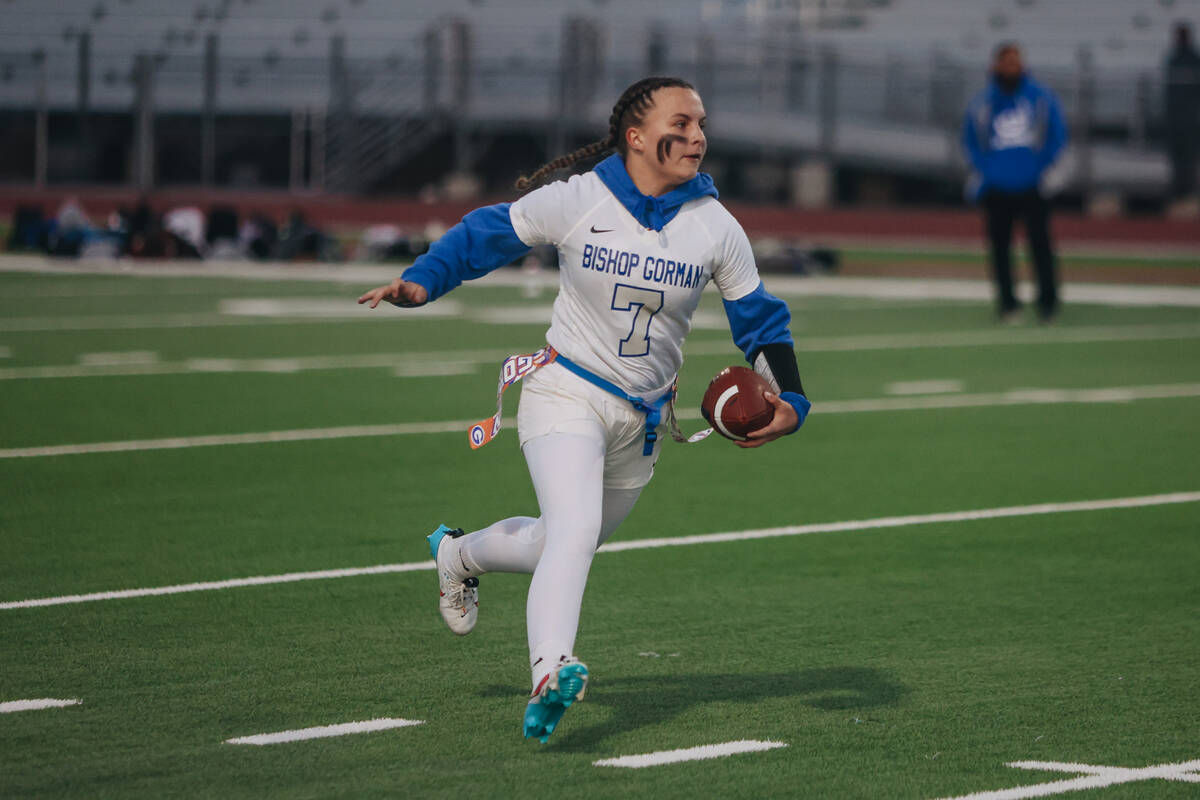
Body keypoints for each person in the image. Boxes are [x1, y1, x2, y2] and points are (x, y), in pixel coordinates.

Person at [358, 76, 811, 743]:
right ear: (635, 137)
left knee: (560, 541)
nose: (697, 137)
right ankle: (552, 671)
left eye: (701, 124)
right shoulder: (580, 198)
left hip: (646, 420)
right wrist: (424, 278)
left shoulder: (715, 226)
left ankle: (458, 555)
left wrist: (792, 399)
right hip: (565, 389)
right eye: (680, 124)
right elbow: (489, 232)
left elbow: (761, 323)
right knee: (572, 533)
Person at [962, 43, 1068, 323]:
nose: (1011, 67)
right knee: (999, 248)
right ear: (996, 65)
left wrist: (1045, 168)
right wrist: (984, 171)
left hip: (1033, 184)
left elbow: (1056, 135)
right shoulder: (982, 103)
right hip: (997, 186)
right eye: (1006, 61)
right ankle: (1008, 303)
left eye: (1015, 61)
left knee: (1041, 245)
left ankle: (1047, 303)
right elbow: (972, 141)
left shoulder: (1041, 98)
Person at [1165, 22, 1200, 205]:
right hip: (1176, 115)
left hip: (1189, 116)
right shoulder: (1173, 58)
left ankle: (1188, 189)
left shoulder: (1193, 59)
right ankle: (1178, 188)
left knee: (1188, 155)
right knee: (1177, 155)